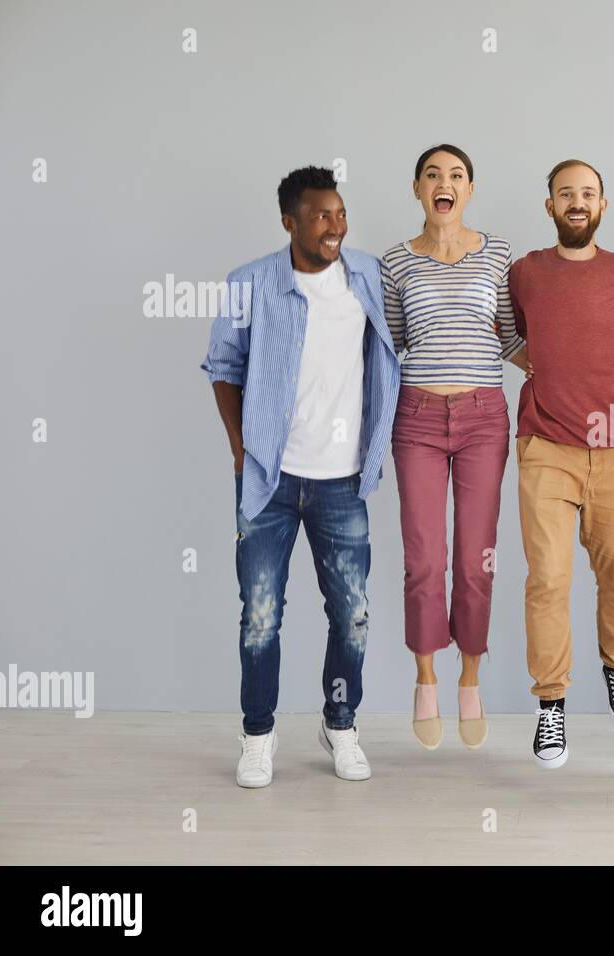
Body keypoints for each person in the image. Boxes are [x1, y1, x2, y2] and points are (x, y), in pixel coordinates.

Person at [201, 166, 400, 788]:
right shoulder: (250, 283)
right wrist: (240, 449)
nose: (335, 226)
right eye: (321, 216)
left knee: (354, 613)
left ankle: (340, 722)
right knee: (260, 614)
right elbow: (222, 366)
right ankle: (257, 735)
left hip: (342, 480)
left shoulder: (367, 275)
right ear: (289, 222)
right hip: (270, 481)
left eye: (340, 214)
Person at [381, 144, 530, 751]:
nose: (445, 184)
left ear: (470, 189)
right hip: (415, 416)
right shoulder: (394, 262)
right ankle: (426, 678)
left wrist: (573, 377)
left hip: (482, 418)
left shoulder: (497, 254)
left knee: (475, 557)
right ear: (417, 188)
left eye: (456, 176)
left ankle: (470, 678)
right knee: (424, 558)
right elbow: (391, 346)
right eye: (433, 175)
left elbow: (513, 341)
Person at [510, 159, 614, 769]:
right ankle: (551, 706)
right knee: (548, 579)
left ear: (602, 205)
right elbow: (507, 333)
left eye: (587, 194)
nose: (576, 202)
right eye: (565, 193)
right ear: (549, 205)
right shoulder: (525, 273)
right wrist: (528, 363)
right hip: (545, 447)